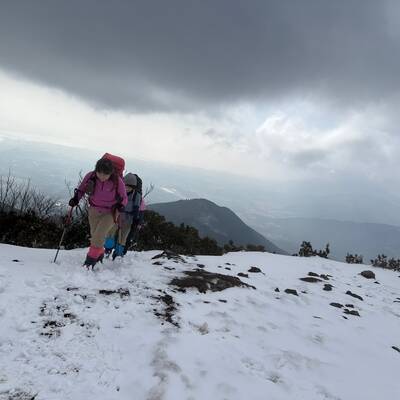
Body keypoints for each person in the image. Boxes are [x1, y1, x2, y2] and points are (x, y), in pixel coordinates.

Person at [69, 157, 128, 268]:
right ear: (96, 170)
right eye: (99, 173)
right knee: (95, 235)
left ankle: (90, 262)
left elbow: (124, 198)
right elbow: (81, 189)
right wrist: (76, 199)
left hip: (111, 212)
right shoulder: (91, 176)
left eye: (106, 174)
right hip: (94, 210)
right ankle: (99, 254)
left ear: (111, 173)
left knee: (98, 236)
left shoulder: (117, 181)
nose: (102, 176)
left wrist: (121, 206)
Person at [104, 172, 142, 259]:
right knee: (110, 233)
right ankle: (108, 249)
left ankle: (118, 253)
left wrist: (136, 219)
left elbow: (136, 208)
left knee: (123, 237)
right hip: (116, 217)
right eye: (125, 185)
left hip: (128, 219)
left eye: (129, 187)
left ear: (133, 187)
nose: (126, 188)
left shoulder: (136, 195)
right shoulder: (119, 191)